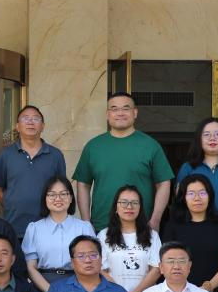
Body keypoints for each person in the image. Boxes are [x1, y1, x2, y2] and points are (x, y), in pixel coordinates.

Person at [73, 92, 174, 232]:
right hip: (102, 226)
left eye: (126, 108)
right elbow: (83, 184)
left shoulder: (150, 145)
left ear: (135, 113)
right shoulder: (93, 146)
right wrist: (86, 222)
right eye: (114, 109)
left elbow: (164, 183)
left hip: (141, 227)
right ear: (107, 114)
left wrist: (155, 220)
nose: (120, 113)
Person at [0, 105, 68, 237]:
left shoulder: (55, 155)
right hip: (14, 227)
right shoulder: (6, 155)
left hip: (48, 227)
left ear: (43, 126)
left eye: (36, 119)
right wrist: (11, 202)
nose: (30, 122)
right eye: (25, 118)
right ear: (17, 126)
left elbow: (63, 190)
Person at [22, 176, 94, 292]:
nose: (58, 198)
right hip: (42, 287)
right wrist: (51, 291)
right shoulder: (34, 229)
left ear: (71, 198)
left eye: (63, 194)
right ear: (45, 198)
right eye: (52, 195)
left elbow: (92, 263)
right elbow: (31, 268)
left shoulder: (84, 228)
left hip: (78, 287)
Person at [97, 184, 161, 292]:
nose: (129, 207)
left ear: (140, 207)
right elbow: (100, 270)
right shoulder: (103, 235)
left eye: (134, 203)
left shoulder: (152, 235)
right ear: (116, 207)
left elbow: (157, 269)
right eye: (124, 202)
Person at [176, 116, 218, 225]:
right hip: (194, 228)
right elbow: (180, 203)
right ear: (199, 139)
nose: (212, 138)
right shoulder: (187, 168)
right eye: (207, 134)